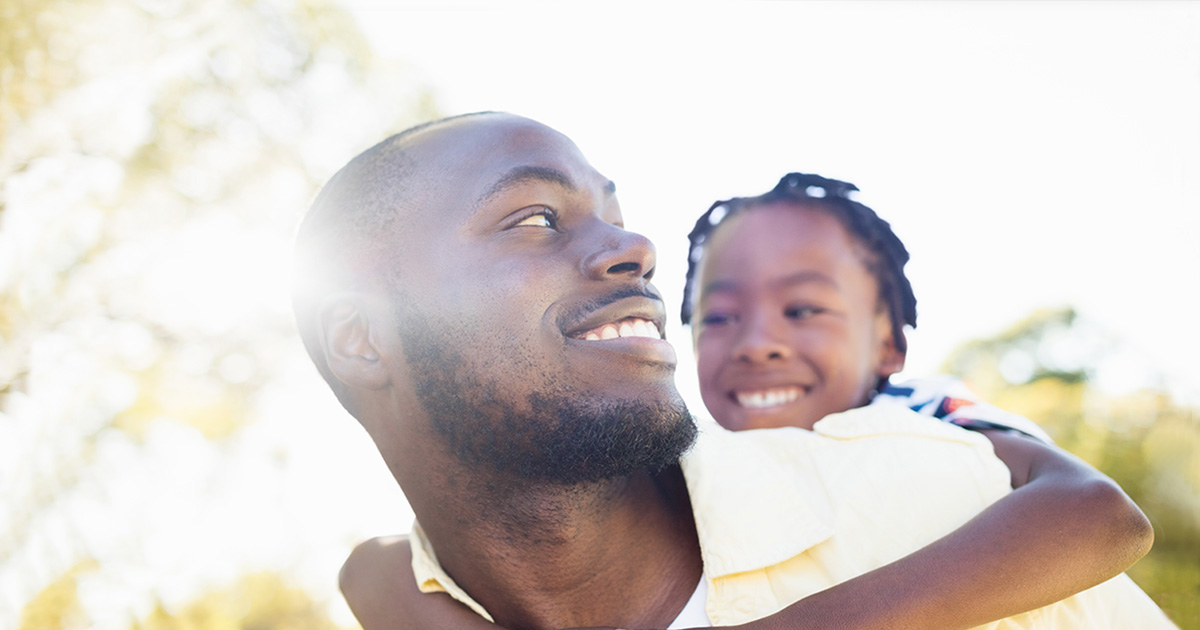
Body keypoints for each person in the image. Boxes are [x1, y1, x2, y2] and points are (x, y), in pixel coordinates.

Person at [292, 112, 1175, 629]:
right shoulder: (410, 593)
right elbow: (371, 574)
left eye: (615, 213)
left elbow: (1097, 514)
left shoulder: (936, 488)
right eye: (532, 219)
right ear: (364, 340)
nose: (635, 247)